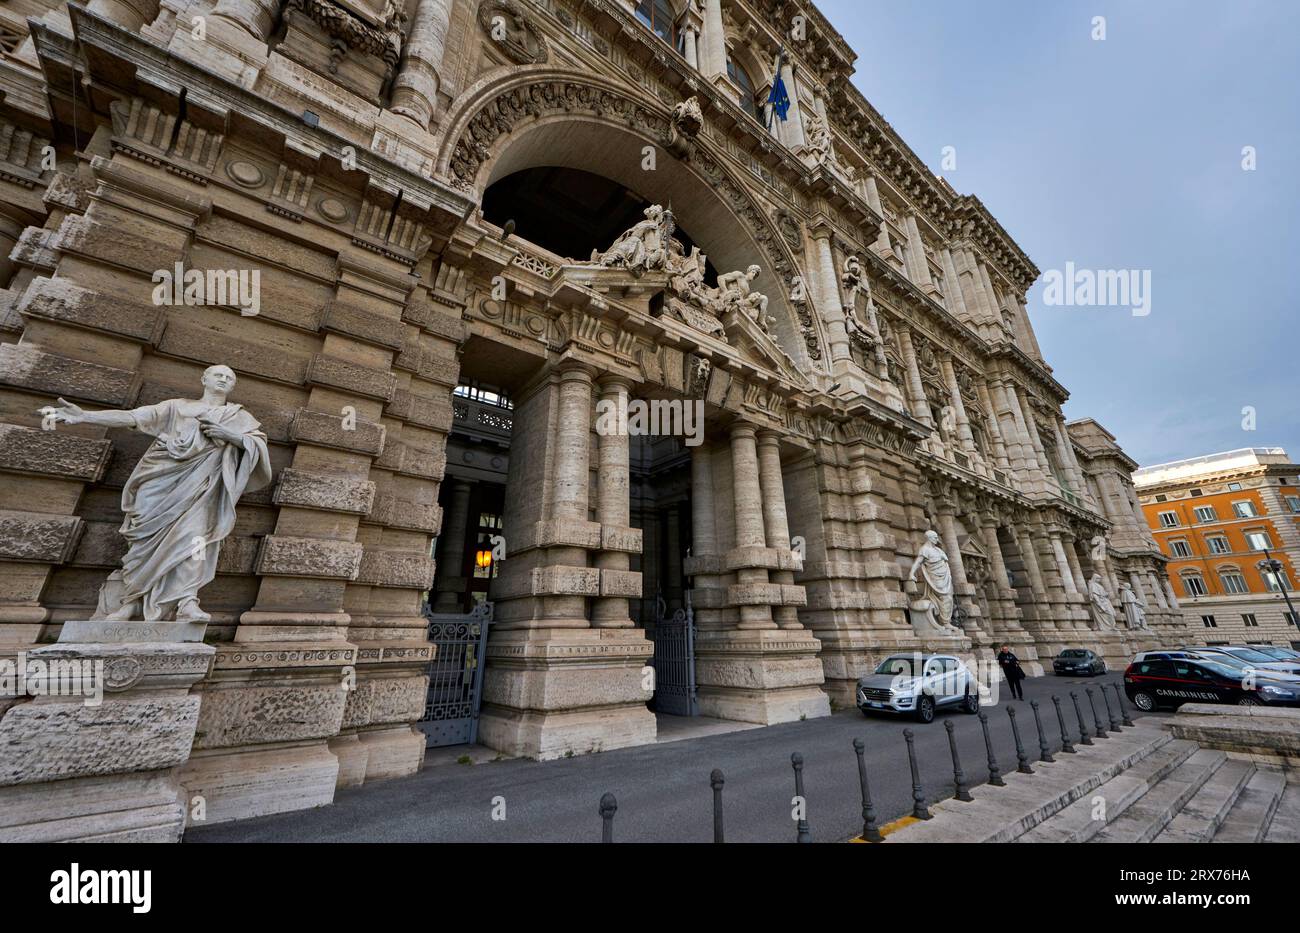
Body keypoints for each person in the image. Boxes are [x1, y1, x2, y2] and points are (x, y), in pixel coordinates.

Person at [40, 364, 271, 622]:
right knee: (143, 542)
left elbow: (257, 448)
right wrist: (85, 416)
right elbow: (132, 417)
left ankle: (186, 601)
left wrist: (231, 436)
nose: (224, 379)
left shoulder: (239, 417)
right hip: (158, 480)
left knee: (195, 539)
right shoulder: (176, 407)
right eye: (218, 374)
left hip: (201, 488)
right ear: (204, 379)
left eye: (229, 378)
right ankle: (131, 602)